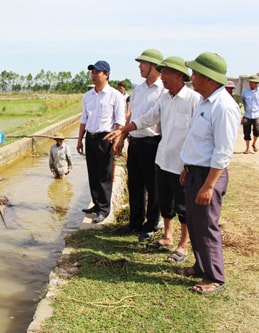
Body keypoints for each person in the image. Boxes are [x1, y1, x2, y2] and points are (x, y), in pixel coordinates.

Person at [106, 56, 200, 262]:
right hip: (163, 158)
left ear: (178, 75)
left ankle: (183, 245)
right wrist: (123, 131)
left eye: (165, 72)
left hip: (182, 161)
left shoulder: (194, 100)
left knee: (182, 204)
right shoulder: (165, 98)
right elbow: (147, 118)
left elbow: (197, 133)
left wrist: (190, 162)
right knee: (165, 200)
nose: (162, 77)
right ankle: (167, 237)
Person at [177, 52, 240, 294]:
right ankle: (201, 265)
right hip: (195, 172)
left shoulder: (223, 107)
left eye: (196, 73)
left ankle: (215, 277)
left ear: (210, 78)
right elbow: (197, 142)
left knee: (206, 226)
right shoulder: (205, 103)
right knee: (194, 222)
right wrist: (187, 167)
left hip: (208, 175)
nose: (192, 77)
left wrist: (209, 185)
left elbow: (223, 153)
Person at [119, 49, 165, 241]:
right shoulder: (138, 90)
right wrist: (122, 136)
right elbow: (132, 115)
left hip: (152, 143)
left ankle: (151, 224)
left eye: (143, 64)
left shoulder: (163, 91)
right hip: (135, 142)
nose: (140, 67)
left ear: (153, 66)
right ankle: (135, 222)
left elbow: (153, 119)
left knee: (153, 186)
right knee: (134, 184)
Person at [77, 60, 126, 223]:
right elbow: (84, 119)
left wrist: (116, 142)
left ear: (106, 74)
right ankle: (96, 204)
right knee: (93, 173)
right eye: (92, 72)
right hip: (90, 138)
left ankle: (104, 209)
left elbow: (120, 121)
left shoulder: (115, 96)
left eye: (97, 72)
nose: (93, 75)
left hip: (106, 138)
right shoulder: (88, 96)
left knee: (105, 174)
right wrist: (79, 140)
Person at [241, 74, 259, 154]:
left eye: (252, 82)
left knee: (257, 131)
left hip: (257, 115)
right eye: (250, 82)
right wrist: (242, 115)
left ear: (256, 83)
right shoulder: (245, 91)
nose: (250, 84)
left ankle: (254, 144)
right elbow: (241, 103)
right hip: (247, 115)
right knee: (246, 132)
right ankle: (247, 148)